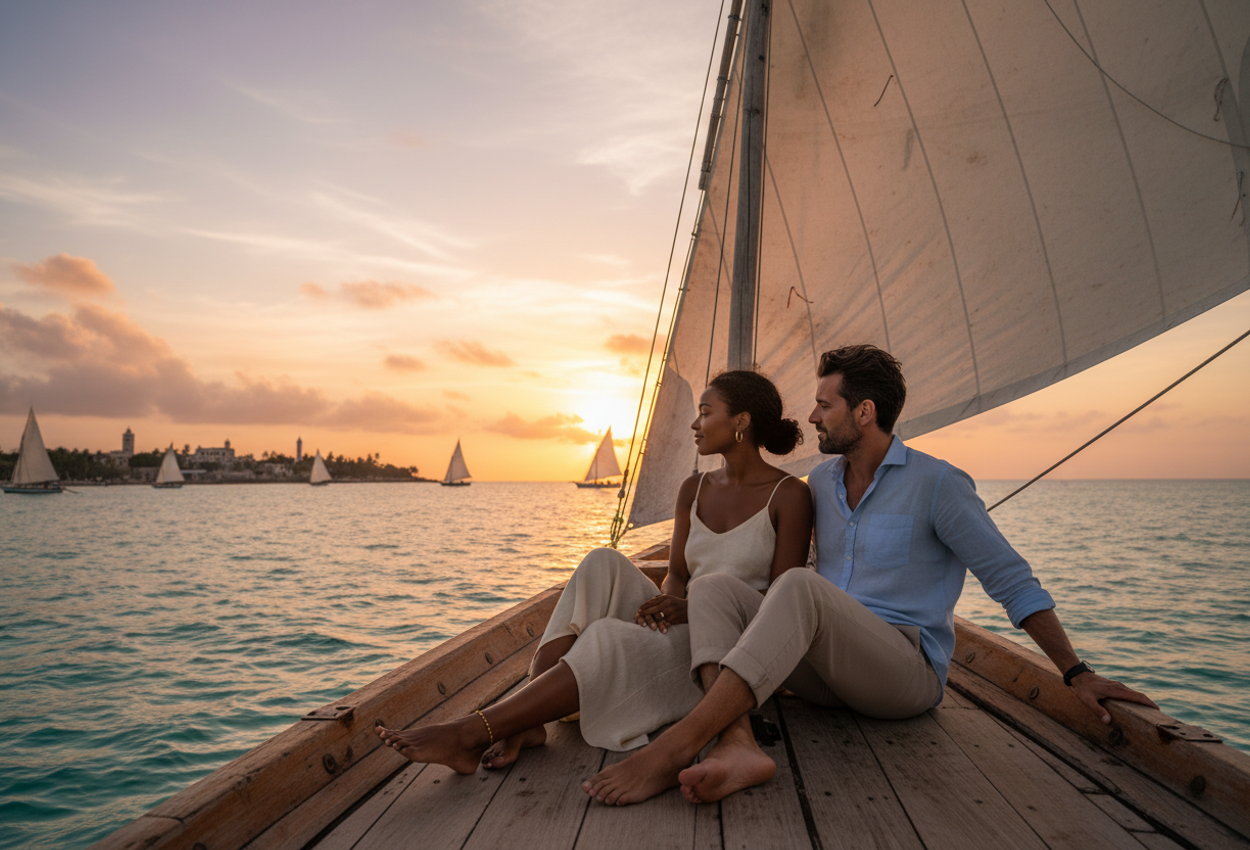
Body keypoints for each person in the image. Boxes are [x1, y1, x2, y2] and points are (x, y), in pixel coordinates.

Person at [581, 344, 1158, 806]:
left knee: (799, 586)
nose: (810, 417)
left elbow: (1010, 579)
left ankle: (677, 746)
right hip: (827, 673)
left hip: (903, 674)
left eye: (824, 405)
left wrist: (1075, 671)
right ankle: (736, 744)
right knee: (713, 587)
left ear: (864, 412)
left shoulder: (939, 484)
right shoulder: (823, 487)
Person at [376, 370, 813, 773]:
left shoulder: (788, 495)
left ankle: (472, 731)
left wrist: (688, 610)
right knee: (601, 561)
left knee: (606, 636)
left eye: (704, 412)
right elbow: (677, 575)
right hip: (682, 616)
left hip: (724, 648)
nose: (694, 424)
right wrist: (665, 607)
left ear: (741, 421)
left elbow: (779, 607)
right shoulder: (693, 488)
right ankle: (525, 721)